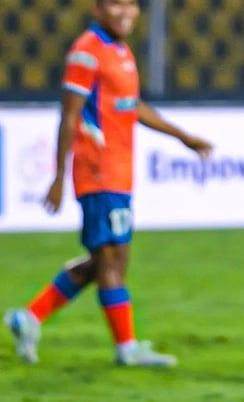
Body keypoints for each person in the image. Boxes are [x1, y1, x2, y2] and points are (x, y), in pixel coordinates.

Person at [4, 0, 212, 367]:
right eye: (116, 4)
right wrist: (58, 175)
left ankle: (29, 317)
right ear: (98, 9)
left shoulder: (120, 51)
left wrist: (182, 136)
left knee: (108, 259)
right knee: (112, 259)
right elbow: (69, 115)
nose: (126, 12)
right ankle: (126, 347)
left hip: (118, 170)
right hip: (97, 168)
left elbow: (133, 106)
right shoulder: (86, 52)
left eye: (130, 4)